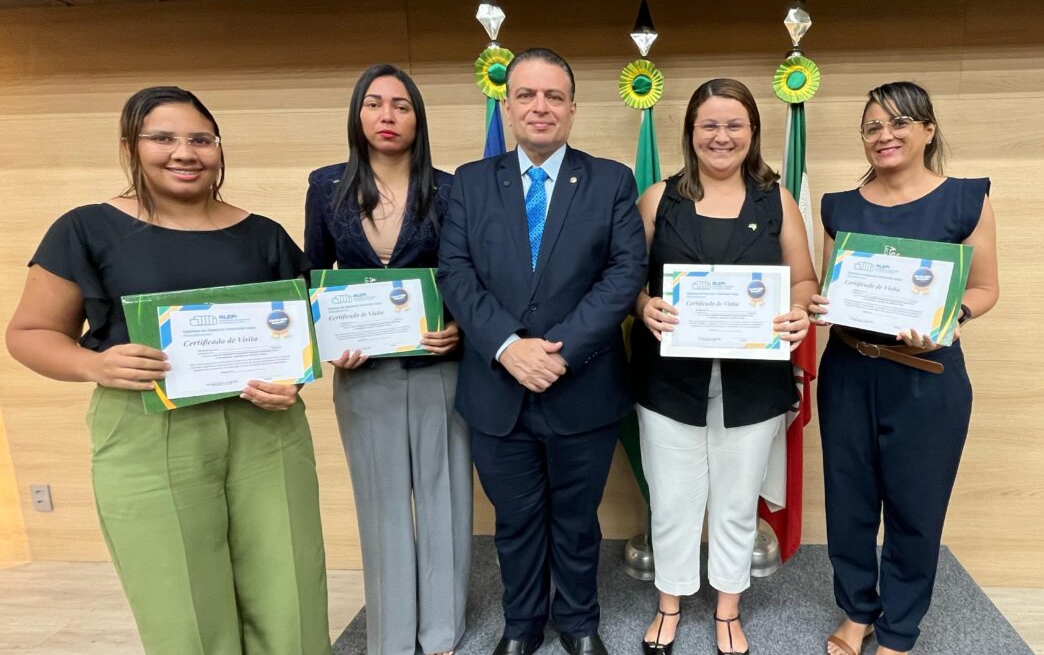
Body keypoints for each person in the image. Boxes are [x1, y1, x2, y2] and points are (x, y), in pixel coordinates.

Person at [4, 86, 332, 655]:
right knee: (182, 603)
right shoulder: (86, 228)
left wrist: (294, 379)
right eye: (163, 138)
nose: (185, 152)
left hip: (266, 431)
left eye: (200, 139)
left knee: (292, 589)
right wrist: (95, 363)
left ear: (219, 149)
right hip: (147, 429)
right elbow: (28, 335)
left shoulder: (264, 234)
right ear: (132, 147)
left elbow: (301, 334)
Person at [437, 48, 647, 655]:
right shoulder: (471, 183)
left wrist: (559, 351)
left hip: (581, 383)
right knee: (516, 519)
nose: (540, 106)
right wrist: (507, 347)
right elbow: (454, 272)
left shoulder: (609, 180)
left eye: (554, 96)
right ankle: (522, 624)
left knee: (578, 520)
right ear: (507, 106)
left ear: (573, 109)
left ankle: (580, 623)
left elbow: (624, 270)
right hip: (495, 388)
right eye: (526, 95)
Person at [810, 81, 999, 655]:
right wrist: (820, 306)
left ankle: (898, 629)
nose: (884, 136)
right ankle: (859, 611)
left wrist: (953, 315)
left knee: (916, 509)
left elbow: (987, 288)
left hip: (928, 378)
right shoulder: (839, 206)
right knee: (849, 501)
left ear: (927, 130)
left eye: (897, 124)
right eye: (872, 127)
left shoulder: (965, 199)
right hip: (849, 369)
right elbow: (827, 293)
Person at [629, 78, 817, 655]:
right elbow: (628, 279)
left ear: (753, 132)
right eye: (709, 124)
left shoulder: (775, 200)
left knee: (737, 499)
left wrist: (797, 313)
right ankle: (670, 601)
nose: (721, 136)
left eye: (734, 124)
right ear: (690, 132)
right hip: (667, 380)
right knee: (674, 497)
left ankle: (728, 608)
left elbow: (804, 279)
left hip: (752, 381)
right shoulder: (659, 200)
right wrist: (644, 304)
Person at [304, 64, 471, 655]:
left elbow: (466, 276)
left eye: (401, 106)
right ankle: (394, 635)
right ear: (357, 115)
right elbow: (315, 276)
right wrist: (328, 341)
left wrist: (458, 329)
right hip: (361, 369)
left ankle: (442, 629)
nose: (387, 116)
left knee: (443, 494)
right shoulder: (326, 186)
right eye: (374, 104)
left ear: (418, 117)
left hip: (438, 365)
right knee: (380, 501)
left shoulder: (451, 189)